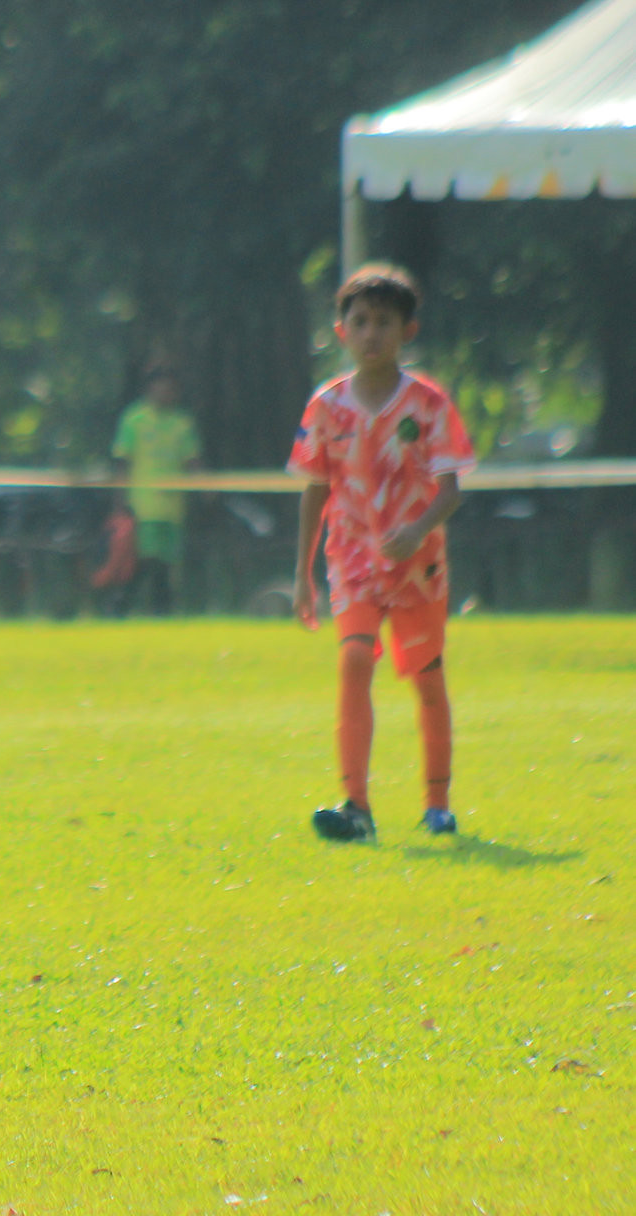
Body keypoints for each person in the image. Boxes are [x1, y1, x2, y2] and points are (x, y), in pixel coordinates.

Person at [289, 263, 473, 843]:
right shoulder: (326, 407)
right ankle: (357, 808)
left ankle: (437, 804)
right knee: (353, 661)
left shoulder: (429, 404)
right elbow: (315, 490)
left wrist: (417, 529)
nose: (372, 333)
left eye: (384, 322)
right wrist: (302, 575)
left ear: (406, 331)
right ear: (341, 330)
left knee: (427, 680)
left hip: (418, 566)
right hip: (352, 559)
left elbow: (450, 490)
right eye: (361, 321)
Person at [109, 364, 202, 616]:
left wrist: (204, 488)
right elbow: (123, 461)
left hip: (173, 509)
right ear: (149, 388)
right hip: (143, 506)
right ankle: (122, 604)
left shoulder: (182, 423)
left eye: (170, 389)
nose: (165, 393)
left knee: (166, 561)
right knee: (144, 559)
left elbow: (192, 460)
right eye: (161, 387)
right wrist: (119, 502)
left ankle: (160, 610)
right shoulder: (134, 419)